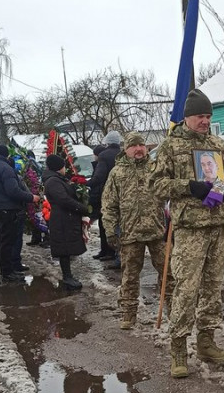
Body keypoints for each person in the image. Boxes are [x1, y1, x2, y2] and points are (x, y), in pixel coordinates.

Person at [149, 88, 224, 378]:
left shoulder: (218, 144)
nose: (205, 121)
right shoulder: (170, 146)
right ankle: (178, 348)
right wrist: (189, 187)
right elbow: (155, 185)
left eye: (208, 116)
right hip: (190, 228)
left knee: (213, 287)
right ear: (187, 117)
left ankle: (206, 341)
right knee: (187, 289)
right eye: (200, 116)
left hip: (219, 224)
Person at [102, 132, 174, 330]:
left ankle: (173, 310)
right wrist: (110, 229)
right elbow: (109, 205)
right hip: (130, 234)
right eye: (133, 146)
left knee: (169, 273)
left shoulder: (156, 168)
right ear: (126, 150)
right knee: (130, 277)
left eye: (141, 145)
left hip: (157, 231)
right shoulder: (117, 173)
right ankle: (128, 314)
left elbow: (170, 192)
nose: (138, 149)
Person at [0, 144, 41, 282]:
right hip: (8, 209)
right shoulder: (5, 168)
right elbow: (13, 191)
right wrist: (31, 197)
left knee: (3, 240)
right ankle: (8, 272)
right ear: (6, 155)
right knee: (8, 241)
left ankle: (8, 268)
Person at [42, 154, 88, 290]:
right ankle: (67, 277)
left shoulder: (57, 179)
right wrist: (82, 208)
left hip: (65, 217)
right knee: (64, 247)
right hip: (62, 218)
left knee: (66, 247)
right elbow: (63, 200)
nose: (65, 168)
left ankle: (68, 276)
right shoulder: (53, 181)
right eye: (63, 166)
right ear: (58, 167)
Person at [87, 130, 122, 262]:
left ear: (107, 142)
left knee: (106, 224)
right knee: (121, 225)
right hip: (124, 194)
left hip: (107, 194)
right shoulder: (123, 154)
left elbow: (99, 177)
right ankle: (118, 255)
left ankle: (108, 252)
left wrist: (86, 183)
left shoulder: (103, 156)